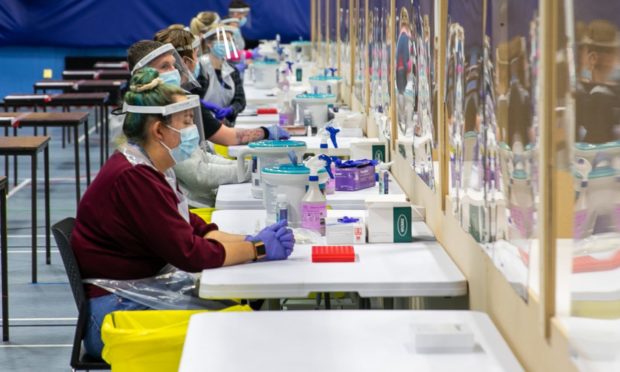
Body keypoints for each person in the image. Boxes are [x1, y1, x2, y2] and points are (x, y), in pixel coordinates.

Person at [71, 68, 295, 359]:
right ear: (159, 129)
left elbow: (194, 228)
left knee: (240, 306)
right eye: (187, 121)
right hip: (116, 315)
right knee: (242, 325)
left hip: (132, 296)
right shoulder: (134, 177)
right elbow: (189, 254)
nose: (193, 130)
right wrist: (257, 248)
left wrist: (248, 240)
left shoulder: (148, 167)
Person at [154, 26, 250, 206]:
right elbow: (199, 174)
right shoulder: (164, 110)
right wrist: (249, 169)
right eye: (197, 55)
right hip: (188, 203)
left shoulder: (182, 100)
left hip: (193, 199)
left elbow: (203, 155)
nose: (198, 61)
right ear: (185, 61)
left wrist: (248, 167)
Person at [127, 40, 289, 144]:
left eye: (173, 65)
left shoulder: (176, 100)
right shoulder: (164, 110)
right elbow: (198, 172)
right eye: (165, 66)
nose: (174, 71)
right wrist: (265, 133)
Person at [199, 24, 246, 126]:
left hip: (224, 125)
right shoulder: (200, 68)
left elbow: (241, 101)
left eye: (229, 39)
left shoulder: (232, 70)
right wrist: (204, 106)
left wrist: (230, 110)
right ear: (209, 43)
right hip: (202, 125)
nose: (226, 43)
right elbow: (189, 97)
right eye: (221, 39)